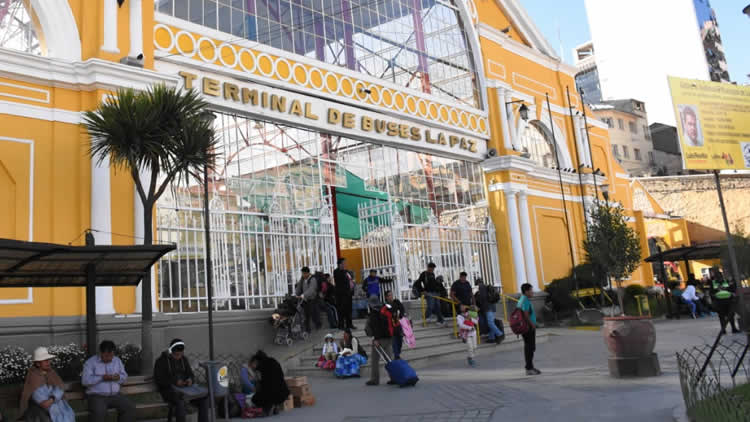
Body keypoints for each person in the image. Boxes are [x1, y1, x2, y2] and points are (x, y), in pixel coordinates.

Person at [153, 339, 209, 422]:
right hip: (169, 390)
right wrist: (175, 382)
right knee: (180, 402)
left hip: (186, 390)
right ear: (171, 351)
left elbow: (190, 374)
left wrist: (190, 379)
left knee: (203, 398)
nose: (179, 356)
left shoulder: (183, 359)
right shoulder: (161, 361)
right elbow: (160, 380)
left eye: (181, 354)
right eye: (176, 355)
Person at [82, 340, 135, 422]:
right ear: (100, 353)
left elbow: (124, 376)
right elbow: (85, 381)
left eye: (111, 355)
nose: (110, 358)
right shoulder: (90, 363)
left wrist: (118, 377)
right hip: (97, 396)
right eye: (106, 356)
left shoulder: (117, 361)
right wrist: (101, 378)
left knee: (129, 407)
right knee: (99, 412)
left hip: (115, 395)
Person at [20, 347, 75, 422]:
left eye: (49, 360)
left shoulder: (51, 373)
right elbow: (44, 403)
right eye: (45, 361)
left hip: (59, 407)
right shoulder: (34, 377)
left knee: (68, 414)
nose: (48, 362)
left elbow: (60, 388)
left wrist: (52, 398)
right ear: (38, 363)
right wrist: (55, 397)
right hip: (44, 412)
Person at [249, 351, 290, 416]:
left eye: (252, 365)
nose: (252, 367)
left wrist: (257, 383)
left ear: (256, 362)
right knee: (270, 391)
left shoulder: (262, 367)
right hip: (283, 392)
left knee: (255, 399)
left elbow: (266, 385)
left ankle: (267, 409)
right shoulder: (273, 361)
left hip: (272, 394)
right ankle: (275, 405)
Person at [365, 296, 394, 386]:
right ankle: (394, 377)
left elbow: (376, 327)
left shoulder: (374, 313)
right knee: (389, 360)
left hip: (379, 339)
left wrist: (376, 339)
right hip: (389, 337)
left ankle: (375, 379)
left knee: (374, 360)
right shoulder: (385, 309)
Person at [518, 283, 541, 375]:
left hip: (526, 327)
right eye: (531, 290)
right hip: (528, 327)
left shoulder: (522, 299)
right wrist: (532, 325)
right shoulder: (525, 300)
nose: (532, 292)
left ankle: (530, 367)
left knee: (530, 347)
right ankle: (529, 368)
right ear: (526, 291)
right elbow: (526, 314)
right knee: (530, 348)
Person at [476, 279, 504, 344]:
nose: (477, 286)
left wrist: (480, 306)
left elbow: (482, 299)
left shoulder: (482, 287)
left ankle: (499, 334)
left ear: (478, 283)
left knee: (490, 323)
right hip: (492, 307)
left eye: (477, 284)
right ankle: (492, 338)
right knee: (491, 322)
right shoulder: (487, 287)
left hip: (488, 308)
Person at [295, 266, 321, 333]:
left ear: (307, 273)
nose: (303, 275)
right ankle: (307, 329)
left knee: (313, 313)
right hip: (305, 300)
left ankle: (318, 325)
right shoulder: (303, 279)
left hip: (312, 299)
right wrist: (296, 294)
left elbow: (311, 290)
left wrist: (303, 295)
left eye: (303, 273)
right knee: (306, 315)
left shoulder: (313, 279)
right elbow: (299, 287)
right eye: (302, 273)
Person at [334, 258, 356, 330]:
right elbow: (341, 281)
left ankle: (349, 324)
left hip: (348, 294)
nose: (345, 264)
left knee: (349, 310)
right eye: (344, 263)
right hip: (341, 295)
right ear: (340, 264)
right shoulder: (337, 271)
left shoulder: (346, 271)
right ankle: (341, 325)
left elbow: (350, 278)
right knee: (342, 310)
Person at [385, 290, 406, 359]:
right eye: (389, 295)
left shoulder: (396, 302)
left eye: (391, 295)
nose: (391, 297)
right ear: (386, 297)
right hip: (390, 326)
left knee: (400, 341)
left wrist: (401, 315)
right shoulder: (385, 306)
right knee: (394, 342)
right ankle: (397, 356)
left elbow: (402, 308)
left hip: (397, 325)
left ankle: (397, 353)